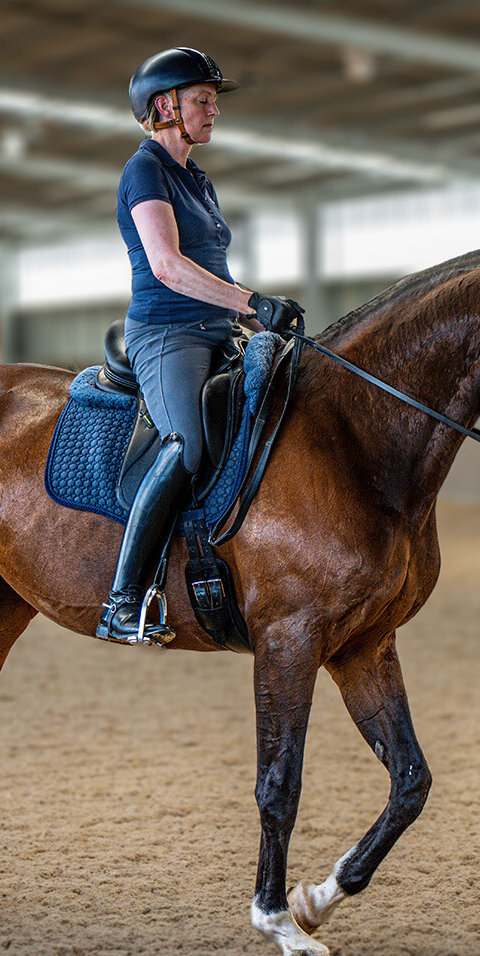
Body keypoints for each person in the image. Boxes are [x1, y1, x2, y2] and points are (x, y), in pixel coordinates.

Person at [97, 46, 304, 646]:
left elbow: (211, 263)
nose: (214, 110)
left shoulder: (196, 178)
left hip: (216, 329)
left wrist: (255, 313)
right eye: (202, 100)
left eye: (213, 101)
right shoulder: (144, 171)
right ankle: (123, 600)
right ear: (164, 106)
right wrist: (250, 302)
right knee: (185, 444)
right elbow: (166, 265)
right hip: (167, 334)